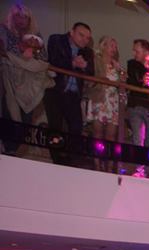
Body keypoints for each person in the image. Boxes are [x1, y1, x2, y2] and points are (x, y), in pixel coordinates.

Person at [44, 22, 93, 164]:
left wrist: (84, 66)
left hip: (73, 95)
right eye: (81, 35)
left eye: (87, 38)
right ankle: (56, 159)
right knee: (55, 127)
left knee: (76, 126)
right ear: (71, 32)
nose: (84, 40)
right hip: (55, 90)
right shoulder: (56, 40)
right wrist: (72, 63)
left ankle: (71, 160)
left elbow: (91, 72)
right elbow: (54, 60)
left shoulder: (87, 52)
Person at [84, 35, 124, 172]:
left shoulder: (117, 65)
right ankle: (97, 164)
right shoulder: (96, 61)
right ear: (103, 46)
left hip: (113, 102)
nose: (114, 48)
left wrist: (121, 73)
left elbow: (123, 84)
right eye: (111, 45)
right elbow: (90, 78)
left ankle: (110, 166)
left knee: (111, 136)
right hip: (99, 99)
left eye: (115, 46)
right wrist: (101, 79)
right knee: (97, 134)